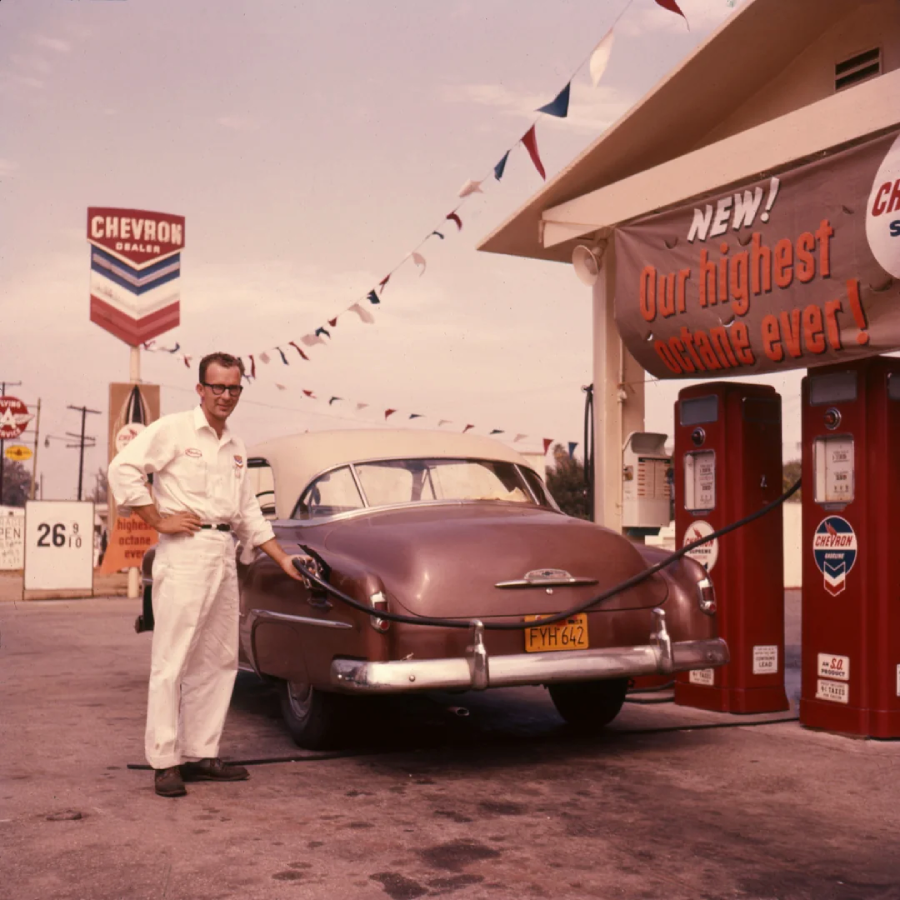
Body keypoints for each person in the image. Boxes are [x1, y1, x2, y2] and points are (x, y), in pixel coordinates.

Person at [108, 352, 311, 798]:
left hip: (223, 554)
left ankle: (200, 753)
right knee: (172, 659)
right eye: (216, 387)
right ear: (200, 389)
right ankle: (164, 761)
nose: (225, 395)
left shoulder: (235, 447)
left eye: (233, 388)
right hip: (184, 552)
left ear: (240, 391)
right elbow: (123, 467)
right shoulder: (175, 430)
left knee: (218, 658)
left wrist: (282, 559)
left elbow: (247, 513)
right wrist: (157, 519)